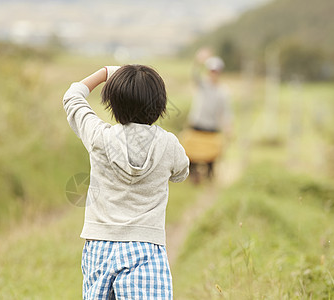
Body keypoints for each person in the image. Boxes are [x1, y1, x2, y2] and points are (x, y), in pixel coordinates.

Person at [63, 65, 189, 299]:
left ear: (113, 104)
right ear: (160, 105)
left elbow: (72, 97)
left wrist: (105, 72)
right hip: (145, 246)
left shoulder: (99, 137)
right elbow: (181, 173)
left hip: (99, 244)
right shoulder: (169, 144)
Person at [181, 49, 232, 184]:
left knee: (211, 156)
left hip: (212, 128)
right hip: (197, 125)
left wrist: (228, 129)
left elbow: (226, 113)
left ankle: (209, 177)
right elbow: (194, 74)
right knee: (191, 153)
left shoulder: (223, 92)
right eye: (211, 70)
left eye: (216, 71)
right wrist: (199, 61)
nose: (213, 73)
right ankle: (192, 175)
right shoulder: (202, 84)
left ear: (220, 72)